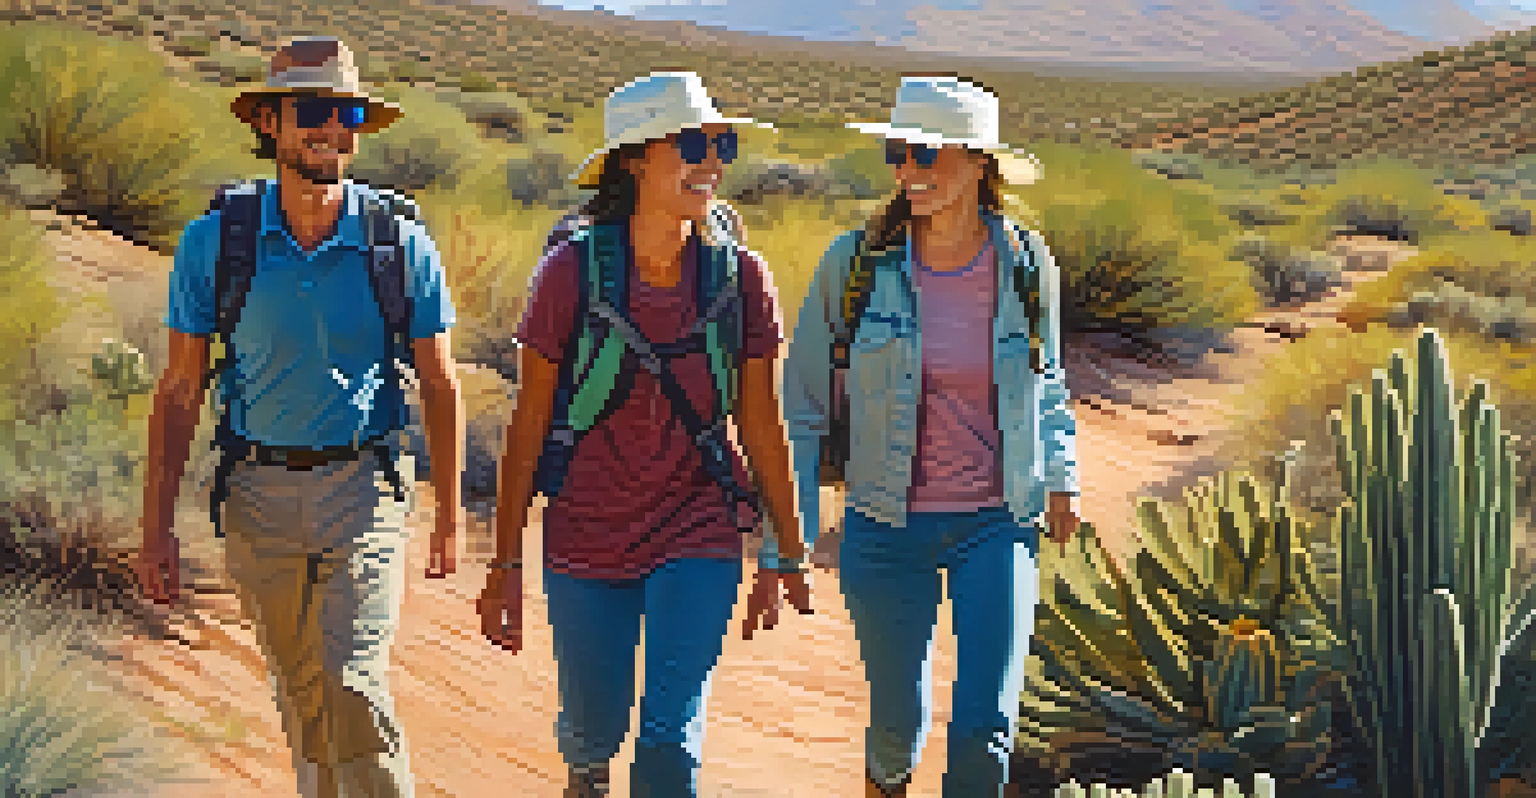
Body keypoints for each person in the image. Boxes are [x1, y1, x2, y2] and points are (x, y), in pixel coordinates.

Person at [136, 37, 462, 798]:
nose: (332, 130)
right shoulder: (215, 244)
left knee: (351, 678)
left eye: (347, 113)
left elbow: (442, 383)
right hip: (256, 497)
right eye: (313, 112)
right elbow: (181, 391)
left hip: (365, 488)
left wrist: (449, 515)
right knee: (302, 689)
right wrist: (156, 526)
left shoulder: (397, 243)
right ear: (272, 125)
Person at [476, 71, 815, 798]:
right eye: (691, 143)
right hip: (585, 531)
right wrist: (503, 562)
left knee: (668, 743)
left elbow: (760, 422)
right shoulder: (571, 272)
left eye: (720, 143)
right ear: (633, 159)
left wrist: (788, 547)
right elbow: (529, 421)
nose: (713, 162)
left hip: (698, 525)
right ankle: (586, 774)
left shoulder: (740, 278)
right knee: (593, 737)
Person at [749, 75, 1083, 797]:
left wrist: (1061, 472)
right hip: (883, 522)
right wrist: (789, 534)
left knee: (985, 729)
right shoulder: (856, 265)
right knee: (897, 725)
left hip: (997, 521)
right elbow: (801, 408)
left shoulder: (1027, 266)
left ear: (977, 163)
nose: (908, 171)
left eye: (927, 154)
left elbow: (1047, 378)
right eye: (898, 152)